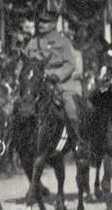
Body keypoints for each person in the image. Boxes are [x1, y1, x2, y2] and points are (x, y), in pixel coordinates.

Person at [23, 9, 87, 154]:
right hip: (36, 84)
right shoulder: (32, 43)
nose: (41, 25)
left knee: (70, 107)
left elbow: (70, 64)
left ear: (53, 24)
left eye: (46, 22)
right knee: (19, 106)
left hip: (60, 84)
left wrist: (56, 75)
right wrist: (22, 75)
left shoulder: (63, 42)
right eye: (40, 21)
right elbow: (24, 62)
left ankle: (78, 143)